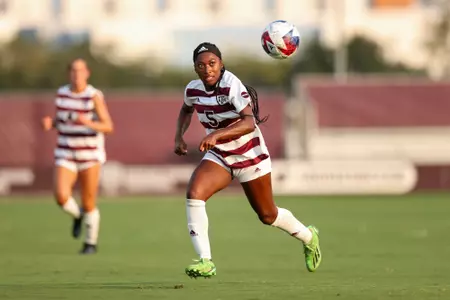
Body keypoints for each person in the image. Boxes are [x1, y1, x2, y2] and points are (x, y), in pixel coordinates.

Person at [174, 42, 322, 278]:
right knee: (194, 194)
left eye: (212, 63)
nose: (207, 69)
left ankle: (308, 236)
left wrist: (216, 134)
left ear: (221, 64)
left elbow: (248, 122)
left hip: (250, 156)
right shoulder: (193, 89)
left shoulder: (232, 84)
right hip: (220, 156)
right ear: (195, 69)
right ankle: (205, 261)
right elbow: (186, 109)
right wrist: (179, 137)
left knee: (267, 215)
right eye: (201, 65)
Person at [41, 58, 114, 254]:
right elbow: (61, 121)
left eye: (80, 70)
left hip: (89, 154)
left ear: (87, 73)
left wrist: (87, 122)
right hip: (66, 151)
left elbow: (108, 126)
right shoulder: (62, 94)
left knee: (89, 201)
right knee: (61, 196)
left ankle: (90, 243)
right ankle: (77, 215)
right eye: (73, 70)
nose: (76, 74)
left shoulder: (93, 96)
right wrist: (51, 124)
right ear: (69, 73)